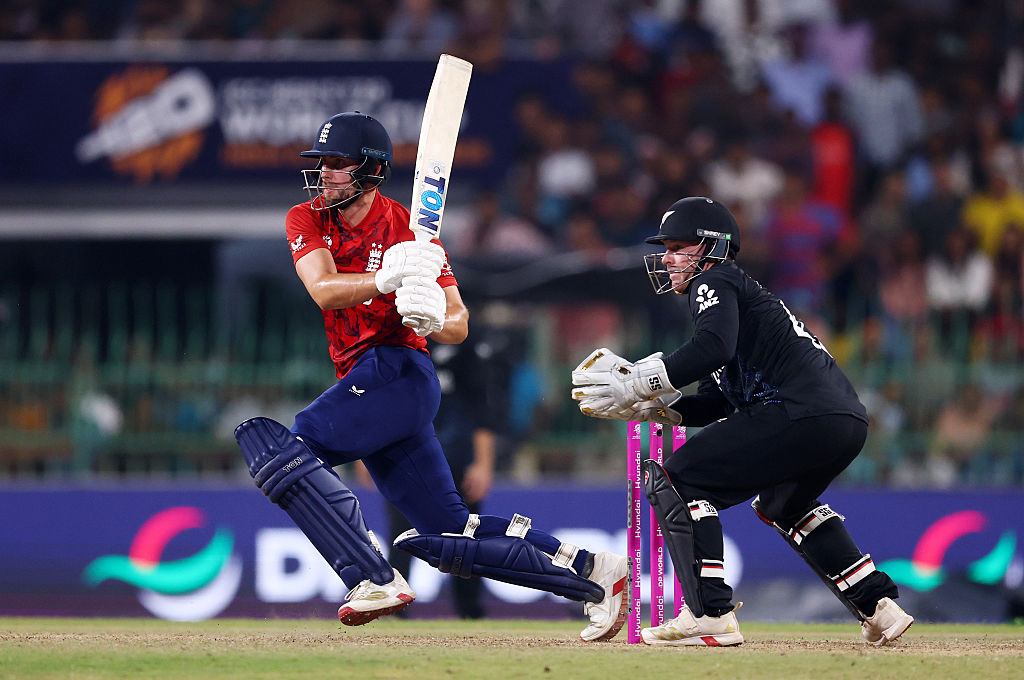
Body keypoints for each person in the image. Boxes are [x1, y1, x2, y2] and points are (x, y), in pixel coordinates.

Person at [233, 111, 627, 641]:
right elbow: (323, 289)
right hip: (369, 382)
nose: (324, 172)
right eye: (321, 162)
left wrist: (430, 315)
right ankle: (595, 573)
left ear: (371, 169)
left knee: (286, 450)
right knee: (451, 536)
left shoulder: (409, 229)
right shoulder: (306, 218)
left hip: (399, 369)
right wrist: (385, 278)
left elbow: (459, 324)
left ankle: (371, 578)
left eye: (337, 162)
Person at [571, 196, 914, 647]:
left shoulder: (715, 279)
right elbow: (717, 403)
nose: (667, 258)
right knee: (783, 505)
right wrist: (655, 407)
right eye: (666, 249)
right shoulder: (732, 299)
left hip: (796, 410)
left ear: (711, 247)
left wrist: (641, 381)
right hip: (840, 420)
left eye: (678, 248)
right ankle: (879, 607)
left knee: (678, 479)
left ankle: (709, 613)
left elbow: (711, 348)